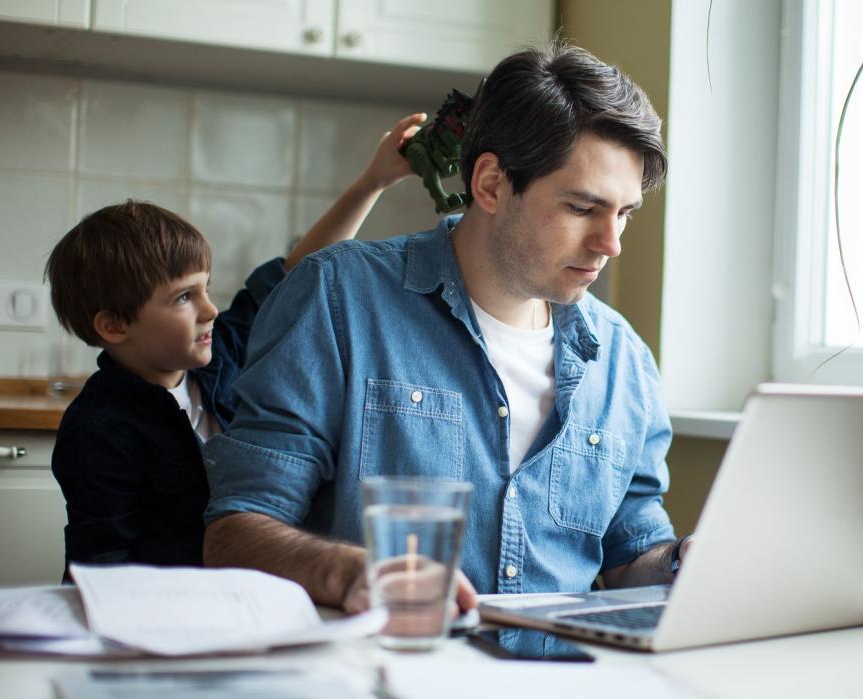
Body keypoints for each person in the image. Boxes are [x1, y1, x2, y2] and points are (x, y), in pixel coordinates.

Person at [202, 42, 690, 615]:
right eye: (582, 208)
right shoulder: (339, 298)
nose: (612, 244)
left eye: (624, 212)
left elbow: (632, 558)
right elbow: (234, 533)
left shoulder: (624, 360)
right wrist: (345, 571)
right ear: (489, 184)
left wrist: (685, 561)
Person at [46, 114, 426, 576]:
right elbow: (100, 566)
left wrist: (374, 181)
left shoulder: (219, 351)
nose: (209, 310)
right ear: (113, 325)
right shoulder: (97, 429)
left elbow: (295, 274)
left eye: (206, 288)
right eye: (184, 297)